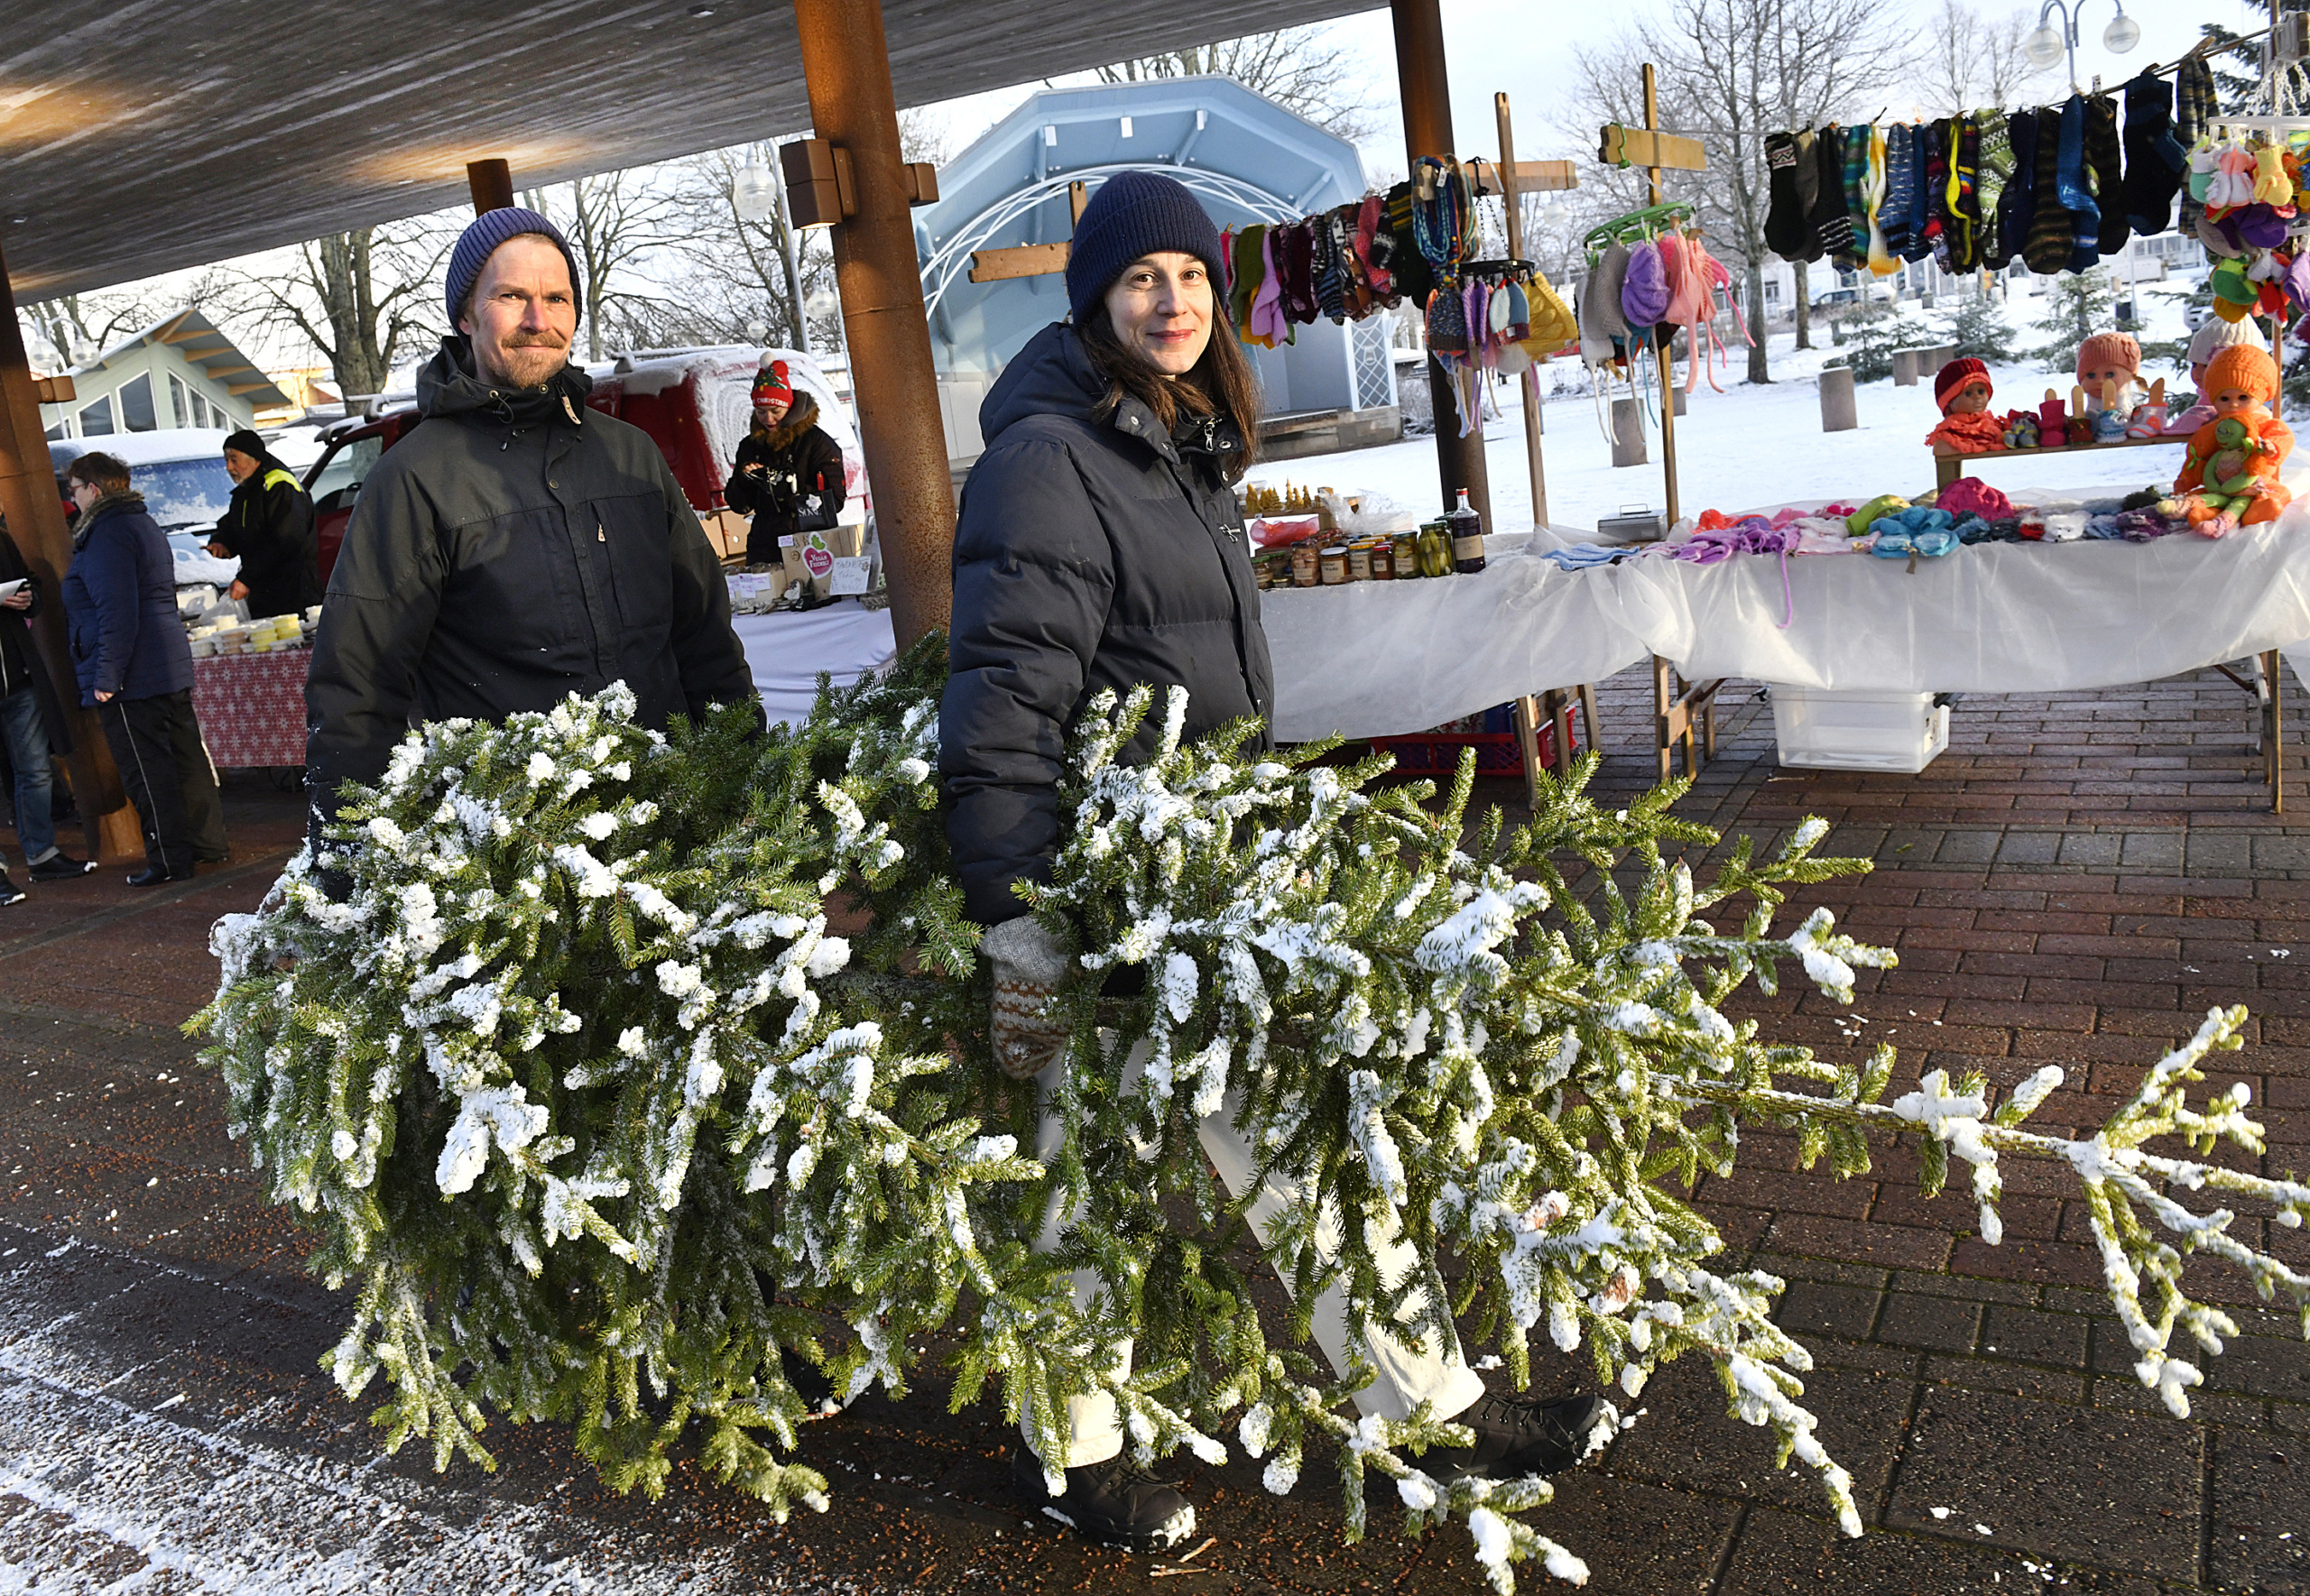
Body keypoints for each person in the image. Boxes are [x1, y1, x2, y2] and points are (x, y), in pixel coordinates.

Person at [938, 170, 1601, 1554]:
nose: (1171, 301)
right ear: (1096, 302)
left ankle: (1421, 1395)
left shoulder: (1175, 442)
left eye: (1188, 278)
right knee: (1078, 1174)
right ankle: (1072, 1450)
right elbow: (1004, 701)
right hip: (1100, 886)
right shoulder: (1050, 459)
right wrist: (1018, 917)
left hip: (1208, 875)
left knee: (1296, 1135)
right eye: (1141, 281)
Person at [305, 207, 754, 855]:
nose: (537, 320)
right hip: (514, 867)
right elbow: (357, 685)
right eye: (511, 296)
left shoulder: (631, 456)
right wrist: (349, 861)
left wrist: (747, 778)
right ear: (466, 315)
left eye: (556, 298)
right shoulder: (415, 478)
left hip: (672, 827)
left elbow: (705, 638)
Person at [60, 452, 226, 886]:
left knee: (147, 769)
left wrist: (106, 677)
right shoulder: (141, 521)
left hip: (133, 674)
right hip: (165, 662)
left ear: (93, 489)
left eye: (74, 489)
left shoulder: (107, 533)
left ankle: (169, 860)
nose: (72, 498)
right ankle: (205, 844)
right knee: (186, 758)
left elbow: (116, 612)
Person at [0, 512, 96, 903]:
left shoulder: (2, 538)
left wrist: (28, 598)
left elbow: (29, 582)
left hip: (18, 678)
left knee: (36, 771)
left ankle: (41, 854)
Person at [723, 359, 845, 568]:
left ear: (788, 406)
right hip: (765, 546)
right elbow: (738, 505)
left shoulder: (816, 442)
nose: (768, 418)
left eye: (774, 411)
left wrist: (790, 491)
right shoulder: (750, 446)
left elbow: (835, 500)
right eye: (760, 412)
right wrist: (745, 481)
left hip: (810, 544)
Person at [207, 429, 322, 620]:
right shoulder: (246, 490)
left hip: (292, 592)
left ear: (255, 459)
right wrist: (221, 541)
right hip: (263, 593)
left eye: (234, 459)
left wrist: (246, 579)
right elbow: (234, 524)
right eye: (226, 460)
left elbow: (285, 542)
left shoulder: (280, 486)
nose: (228, 467)